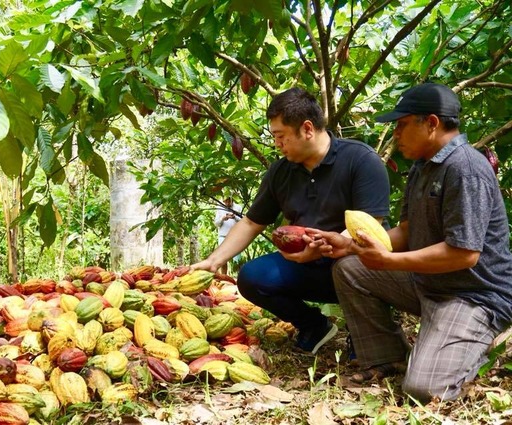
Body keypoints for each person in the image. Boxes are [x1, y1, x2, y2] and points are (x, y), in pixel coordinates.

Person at [312, 82, 512, 402]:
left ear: (431, 123)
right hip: (430, 284)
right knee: (350, 267)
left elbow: (464, 254)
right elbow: (406, 231)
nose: (396, 134)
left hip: (474, 295)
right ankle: (387, 357)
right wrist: (351, 245)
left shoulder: (465, 168)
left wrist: (389, 261)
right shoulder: (422, 167)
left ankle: (485, 335)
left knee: (424, 390)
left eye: (402, 125)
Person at [192, 87, 390, 354]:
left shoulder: (360, 160)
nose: (277, 143)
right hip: (307, 265)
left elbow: (370, 223)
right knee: (253, 277)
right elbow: (252, 222)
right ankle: (314, 326)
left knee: (352, 265)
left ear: (307, 129)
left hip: (355, 261)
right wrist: (213, 261)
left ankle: (364, 330)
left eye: (281, 136)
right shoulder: (281, 171)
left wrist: (328, 247)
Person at [214, 197, 242, 275]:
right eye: (225, 201)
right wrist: (223, 218)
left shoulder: (238, 207)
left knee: (237, 260)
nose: (226, 203)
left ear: (231, 200)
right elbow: (216, 223)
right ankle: (224, 277)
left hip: (235, 236)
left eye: (228, 201)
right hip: (223, 236)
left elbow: (243, 221)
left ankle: (238, 278)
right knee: (222, 259)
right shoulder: (220, 208)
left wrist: (235, 217)